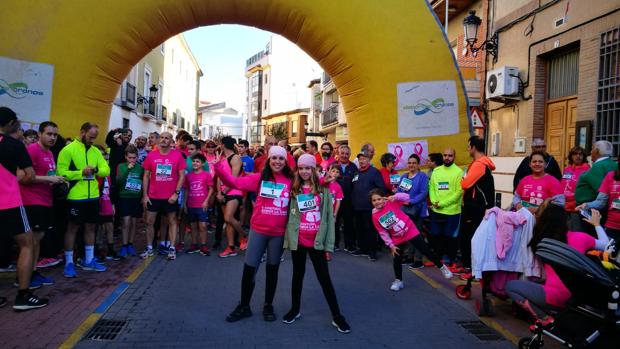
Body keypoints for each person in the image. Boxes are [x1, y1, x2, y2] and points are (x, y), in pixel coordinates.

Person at [214, 145, 294, 323]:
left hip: (278, 233)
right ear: (268, 160)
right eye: (274, 158)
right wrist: (219, 166)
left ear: (285, 162)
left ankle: (268, 305)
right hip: (258, 231)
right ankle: (244, 306)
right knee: (250, 268)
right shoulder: (259, 179)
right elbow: (233, 182)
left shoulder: (291, 180)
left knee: (272, 270)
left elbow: (309, 188)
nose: (277, 162)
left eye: (281, 159)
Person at [506, 201, 609, 327]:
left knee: (511, 286)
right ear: (566, 222)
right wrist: (597, 224)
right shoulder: (581, 238)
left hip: (553, 296)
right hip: (577, 294)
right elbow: (606, 245)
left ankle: (544, 318)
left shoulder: (540, 240)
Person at [281, 154, 350, 333]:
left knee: (324, 278)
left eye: (308, 168)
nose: (304, 171)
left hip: (316, 241)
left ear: (314, 170)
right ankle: (295, 309)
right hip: (299, 239)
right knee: (297, 275)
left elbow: (328, 215)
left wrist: (329, 240)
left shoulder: (323, 188)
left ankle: (337, 315)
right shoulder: (294, 189)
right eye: (301, 168)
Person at [0, 107, 48, 310]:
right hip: (9, 202)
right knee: (27, 244)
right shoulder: (15, 145)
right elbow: (29, 176)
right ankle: (23, 295)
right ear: (11, 123)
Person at [370, 189, 452, 291]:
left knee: (425, 250)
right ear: (371, 202)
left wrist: (395, 196)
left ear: (383, 198)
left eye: (379, 199)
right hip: (397, 237)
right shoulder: (374, 215)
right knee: (397, 258)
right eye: (374, 200)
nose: (377, 202)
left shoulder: (391, 202)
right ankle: (398, 281)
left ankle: (442, 267)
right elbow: (382, 232)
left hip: (410, 230)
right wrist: (390, 245)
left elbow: (407, 198)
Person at [57, 122, 110, 277]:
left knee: (91, 228)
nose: (93, 140)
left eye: (95, 137)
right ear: (82, 132)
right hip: (75, 196)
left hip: (93, 196)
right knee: (72, 229)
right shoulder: (68, 150)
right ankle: (69, 262)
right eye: (90, 136)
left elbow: (107, 169)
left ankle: (88, 259)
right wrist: (82, 172)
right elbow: (62, 173)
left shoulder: (95, 151)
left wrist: (96, 170)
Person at [19, 121, 65, 286]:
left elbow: (47, 174)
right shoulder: (32, 150)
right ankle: (24, 279)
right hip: (32, 200)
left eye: (55, 135)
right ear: (39, 134)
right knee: (32, 241)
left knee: (38, 239)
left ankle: (33, 273)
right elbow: (21, 177)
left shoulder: (50, 153)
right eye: (49, 134)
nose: (52, 137)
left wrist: (56, 179)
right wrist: (48, 178)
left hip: (46, 199)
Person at [141, 132, 186, 261]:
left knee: (172, 222)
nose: (164, 140)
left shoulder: (177, 156)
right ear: (158, 140)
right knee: (149, 222)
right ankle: (149, 247)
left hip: (170, 197)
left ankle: (172, 248)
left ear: (171, 141)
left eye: (167, 138)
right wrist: (145, 195)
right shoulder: (151, 155)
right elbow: (146, 176)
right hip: (153, 196)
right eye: (162, 137)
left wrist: (176, 193)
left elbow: (182, 175)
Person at [459, 136, 495, 276]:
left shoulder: (479, 164)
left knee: (468, 237)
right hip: (476, 206)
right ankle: (471, 267)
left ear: (473, 147)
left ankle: (470, 268)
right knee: (471, 236)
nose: (468, 149)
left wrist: (463, 180)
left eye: (469, 146)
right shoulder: (482, 163)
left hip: (474, 207)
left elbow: (465, 184)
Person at [428, 148, 463, 267]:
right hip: (436, 210)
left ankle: (451, 260)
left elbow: (458, 193)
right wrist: (433, 201)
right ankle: (438, 259)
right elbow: (431, 187)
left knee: (450, 237)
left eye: (450, 155)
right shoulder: (436, 171)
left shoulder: (458, 172)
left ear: (454, 157)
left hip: (452, 212)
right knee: (436, 236)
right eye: (445, 155)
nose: (447, 157)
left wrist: (441, 204)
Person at [574, 140, 618, 232]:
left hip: (592, 211)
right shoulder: (614, 165)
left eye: (592, 149)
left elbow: (601, 190)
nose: (590, 152)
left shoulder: (597, 166)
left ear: (597, 151)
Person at [351, 150, 386, 261]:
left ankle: (372, 252)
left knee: (370, 230)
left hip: (369, 207)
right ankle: (362, 248)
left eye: (364, 159)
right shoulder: (356, 173)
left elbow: (381, 188)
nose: (362, 161)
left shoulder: (374, 172)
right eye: (360, 159)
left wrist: (375, 201)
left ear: (369, 160)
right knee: (359, 229)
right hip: (357, 207)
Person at [395, 154, 429, 269]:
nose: (411, 165)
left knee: (417, 235)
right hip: (405, 210)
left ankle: (418, 260)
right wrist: (398, 198)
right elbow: (399, 191)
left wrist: (411, 201)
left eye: (414, 163)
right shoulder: (404, 176)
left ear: (418, 164)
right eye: (409, 163)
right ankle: (409, 257)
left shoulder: (422, 176)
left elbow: (423, 193)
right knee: (407, 234)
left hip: (418, 210)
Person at [578, 156, 620, 241]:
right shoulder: (611, 176)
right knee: (607, 253)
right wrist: (586, 205)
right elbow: (601, 202)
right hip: (611, 226)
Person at [217, 136, 246, 258]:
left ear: (223, 145)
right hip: (223, 193)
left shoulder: (235, 158)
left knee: (229, 218)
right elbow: (219, 177)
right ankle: (231, 247)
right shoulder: (223, 159)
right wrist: (219, 192)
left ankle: (244, 236)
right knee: (228, 222)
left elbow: (233, 180)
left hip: (234, 192)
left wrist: (223, 193)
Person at [115, 145, 143, 257]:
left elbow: (143, 182)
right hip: (124, 196)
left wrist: (143, 196)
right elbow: (119, 181)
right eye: (130, 157)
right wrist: (128, 169)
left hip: (136, 197)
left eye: (134, 158)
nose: (132, 160)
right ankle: (124, 245)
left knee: (133, 222)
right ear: (126, 157)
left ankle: (130, 244)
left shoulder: (140, 168)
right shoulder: (121, 166)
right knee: (126, 221)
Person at [184, 153, 214, 255]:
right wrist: (185, 203)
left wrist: (206, 201)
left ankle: (204, 245)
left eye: (198, 162)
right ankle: (194, 244)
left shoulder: (206, 175)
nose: (195, 163)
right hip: (191, 204)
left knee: (203, 226)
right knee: (193, 226)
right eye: (194, 161)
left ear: (202, 164)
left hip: (202, 205)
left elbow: (211, 189)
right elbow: (187, 189)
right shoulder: (188, 176)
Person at [562, 146, 590, 215]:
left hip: (577, 207)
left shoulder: (588, 170)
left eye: (580, 154)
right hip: (563, 205)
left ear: (583, 156)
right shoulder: (567, 169)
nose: (578, 156)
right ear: (571, 156)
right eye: (575, 154)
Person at [325, 163, 344, 260]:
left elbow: (338, 202)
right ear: (328, 171)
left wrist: (335, 214)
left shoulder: (338, 187)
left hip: (331, 213)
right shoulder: (323, 183)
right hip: (320, 212)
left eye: (337, 172)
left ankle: (327, 251)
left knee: (329, 232)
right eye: (333, 171)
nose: (335, 173)